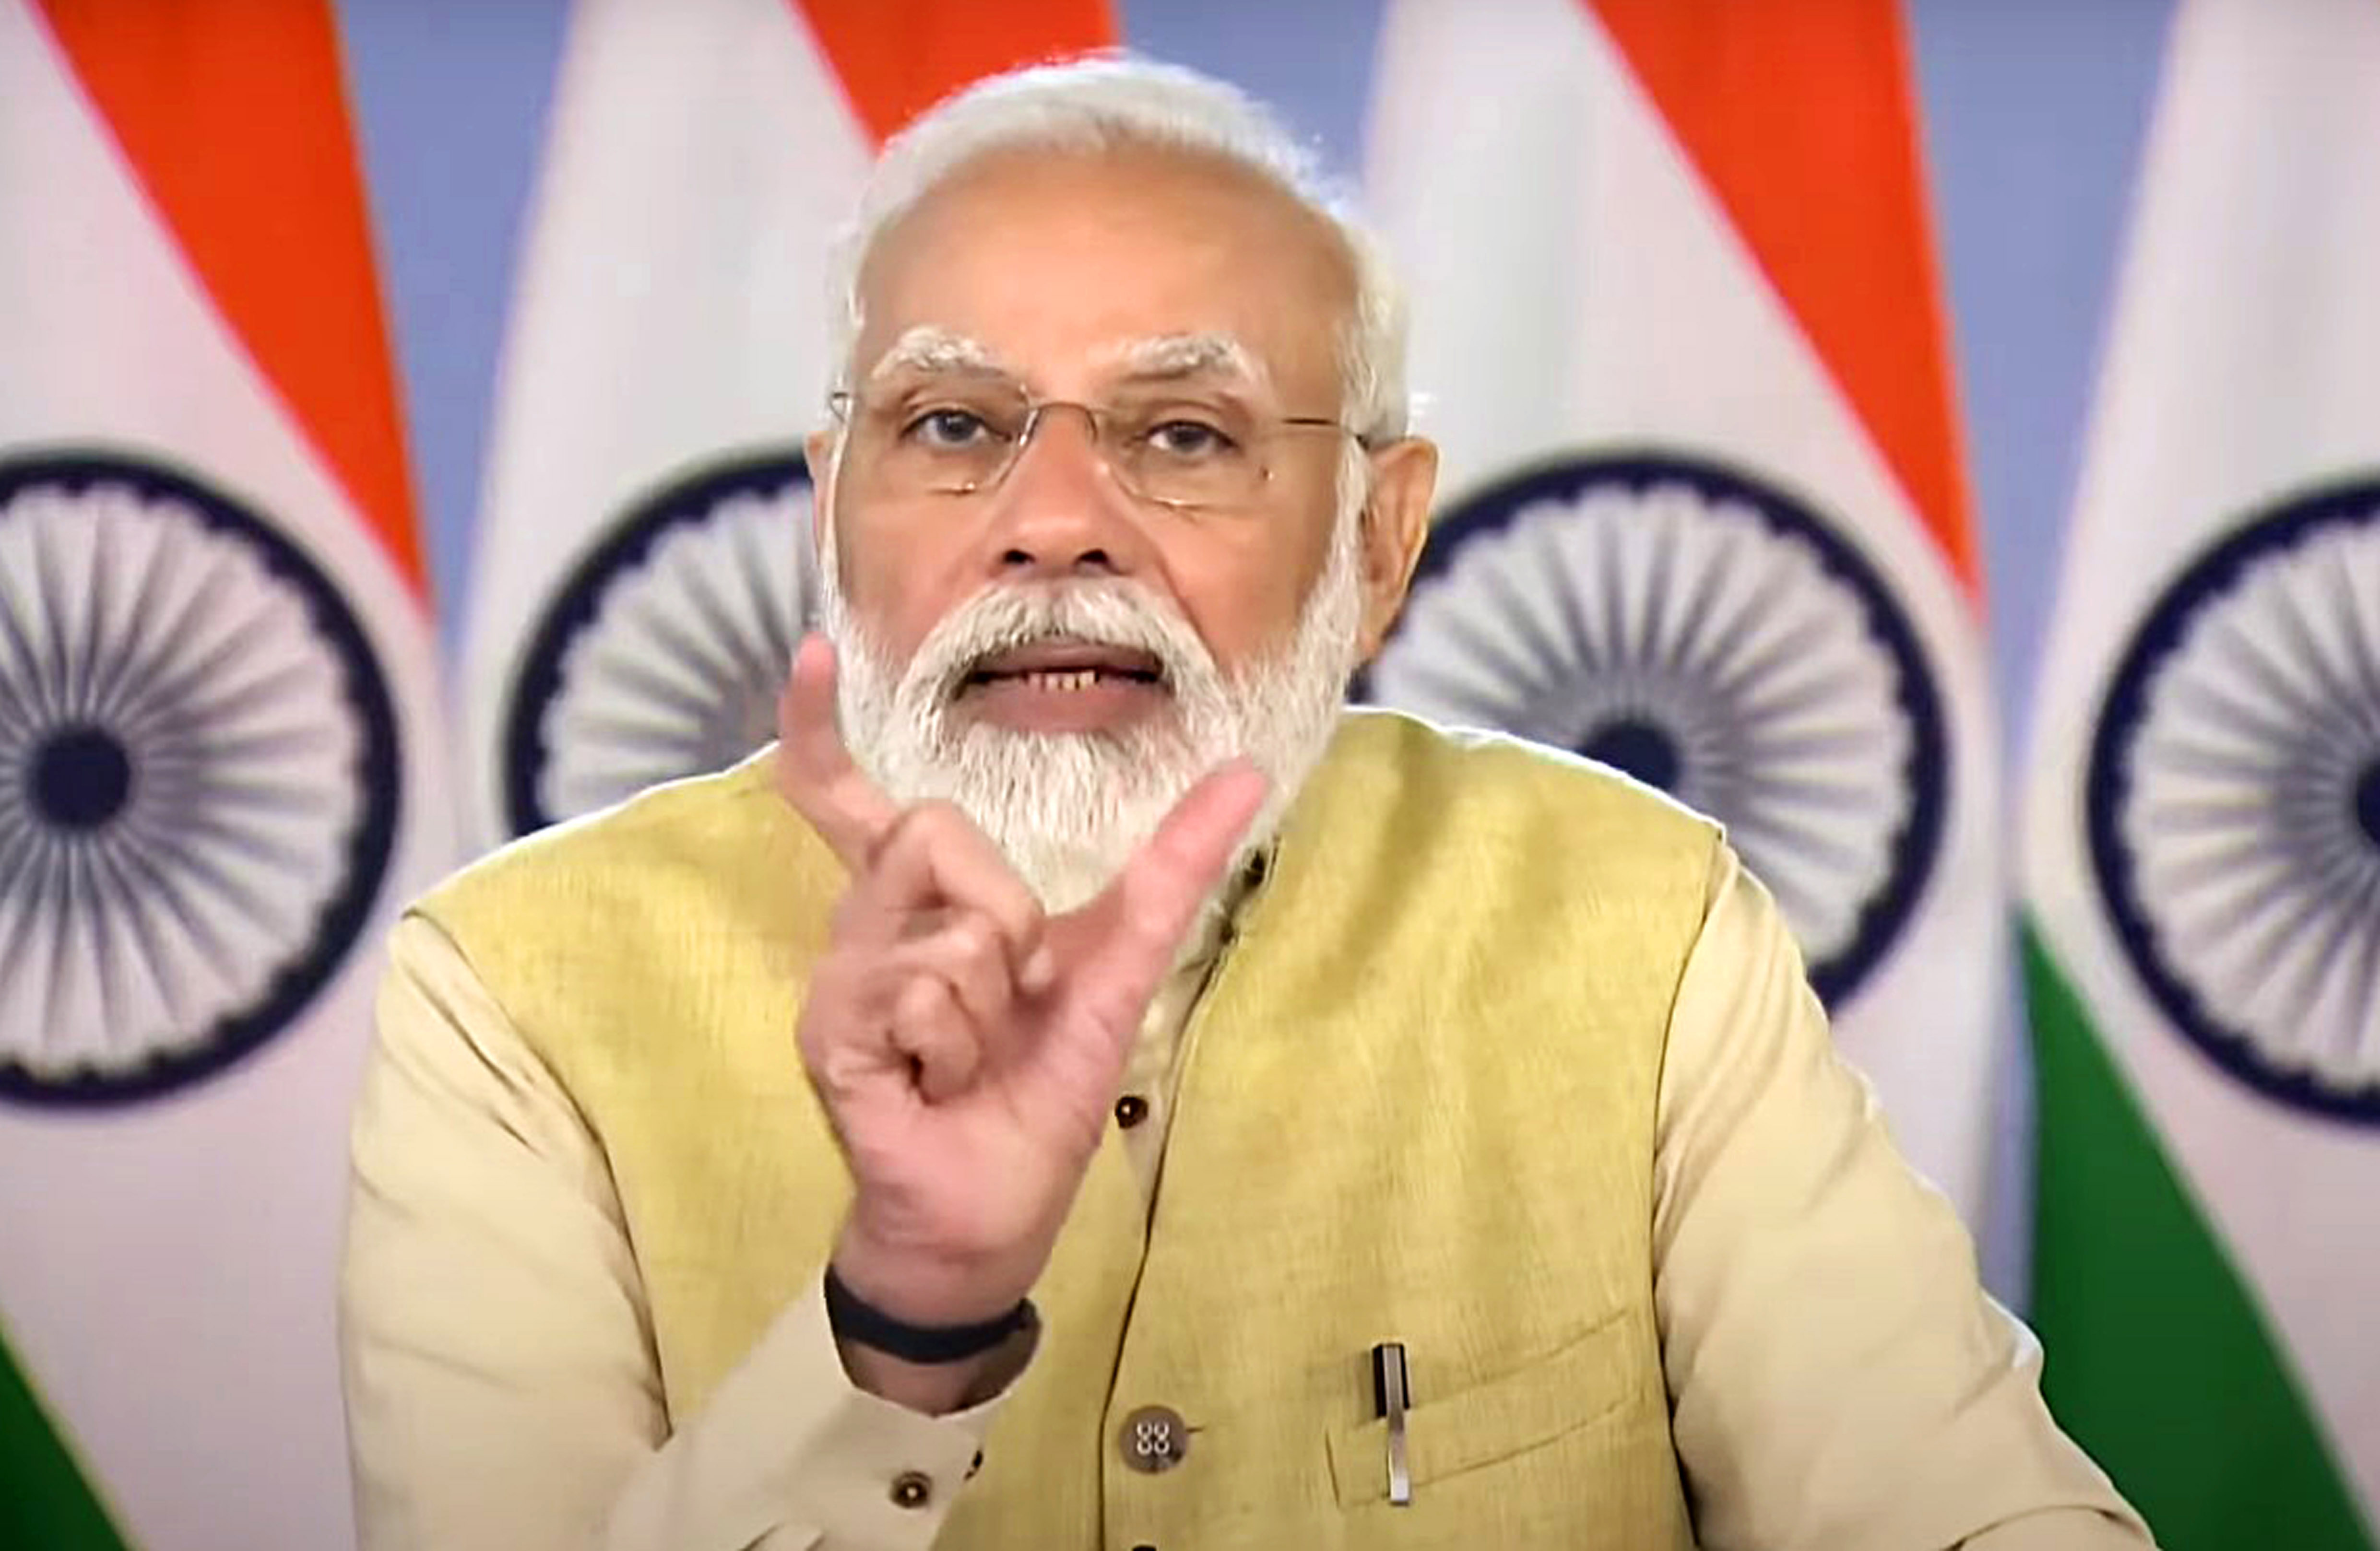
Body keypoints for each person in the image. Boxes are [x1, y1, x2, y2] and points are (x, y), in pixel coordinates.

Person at [340, 57, 2154, 1551]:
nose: (1053, 521)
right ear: (835, 512)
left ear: (1378, 542)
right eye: (957, 426)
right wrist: (899, 1322)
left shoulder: (1635, 916)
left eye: (1184, 434)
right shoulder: (513, 997)